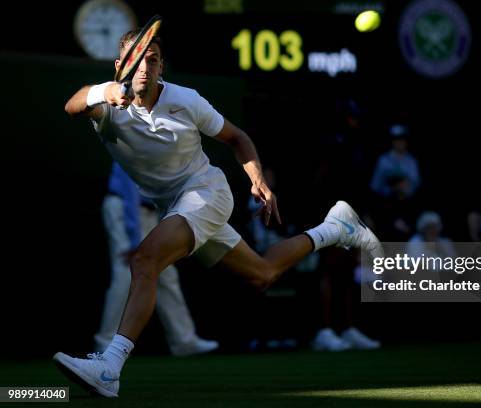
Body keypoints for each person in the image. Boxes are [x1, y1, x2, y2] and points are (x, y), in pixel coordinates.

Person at [54, 28, 382, 398]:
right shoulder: (108, 109)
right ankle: (334, 228)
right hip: (173, 206)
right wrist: (105, 91)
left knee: (145, 260)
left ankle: (109, 368)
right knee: (263, 272)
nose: (144, 68)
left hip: (206, 192)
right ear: (121, 67)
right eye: (136, 61)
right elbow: (74, 104)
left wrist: (256, 179)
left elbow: (237, 138)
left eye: (152, 60)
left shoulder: (186, 100)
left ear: (161, 67)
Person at [96, 162, 218, 356]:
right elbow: (129, 191)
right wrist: (135, 240)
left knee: (166, 275)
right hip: (123, 209)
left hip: (148, 214)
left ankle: (184, 341)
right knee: (125, 274)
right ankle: (106, 341)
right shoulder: (129, 139)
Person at [370, 123, 421, 199]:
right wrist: (391, 188)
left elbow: (417, 183)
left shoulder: (412, 161)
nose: (400, 143)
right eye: (397, 140)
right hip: (387, 201)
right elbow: (375, 185)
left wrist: (405, 187)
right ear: (392, 141)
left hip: (407, 202)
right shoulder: (383, 160)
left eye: (402, 139)